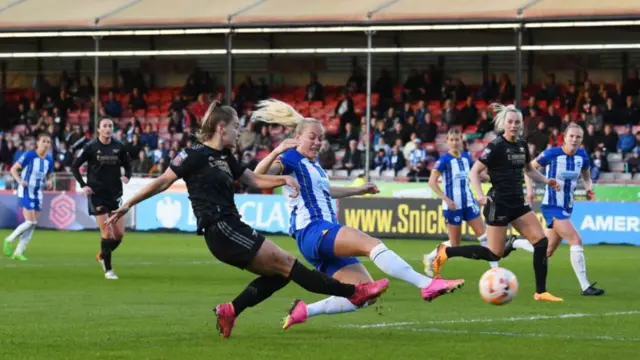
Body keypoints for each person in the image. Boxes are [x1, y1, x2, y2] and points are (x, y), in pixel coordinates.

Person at [104, 101, 388, 339]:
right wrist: (128, 203)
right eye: (236, 127)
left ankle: (230, 310)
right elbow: (162, 182)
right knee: (289, 265)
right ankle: (354, 292)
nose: (239, 133)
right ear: (221, 127)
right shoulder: (192, 155)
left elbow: (253, 180)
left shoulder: (226, 157)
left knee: (279, 276)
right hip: (221, 228)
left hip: (231, 228)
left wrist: (282, 176)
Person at [250, 99, 464, 331]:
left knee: (364, 294)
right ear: (298, 136)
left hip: (320, 235)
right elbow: (256, 177)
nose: (317, 142)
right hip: (313, 230)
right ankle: (427, 284)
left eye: (321, 138)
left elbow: (326, 191)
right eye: (312, 137)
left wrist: (358, 190)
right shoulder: (290, 159)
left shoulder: (314, 165)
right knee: (370, 244)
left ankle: (304, 311)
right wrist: (277, 150)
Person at [429, 103, 564, 302]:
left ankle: (540, 292)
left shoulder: (522, 145)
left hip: (518, 202)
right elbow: (474, 172)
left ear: (521, 124)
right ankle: (447, 251)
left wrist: (545, 180)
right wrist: (480, 195)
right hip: (498, 203)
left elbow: (528, 169)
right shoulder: (495, 146)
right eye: (510, 121)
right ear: (504, 123)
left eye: (517, 122)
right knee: (494, 254)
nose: (514, 125)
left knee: (541, 241)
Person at [422, 129, 531, 275]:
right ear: (447, 142)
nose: (455, 142)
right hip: (453, 206)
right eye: (452, 140)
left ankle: (496, 271)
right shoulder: (443, 161)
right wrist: (446, 199)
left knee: (485, 237)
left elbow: (478, 172)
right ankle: (430, 257)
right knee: (455, 244)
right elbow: (432, 183)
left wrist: (496, 179)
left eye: (457, 139)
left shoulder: (467, 157)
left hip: (469, 203)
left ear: (462, 141)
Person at [524, 123, 604, 296]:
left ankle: (514, 242)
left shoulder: (582, 155)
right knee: (576, 239)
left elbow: (586, 175)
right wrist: (530, 190)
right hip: (552, 206)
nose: (574, 140)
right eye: (571, 136)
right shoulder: (551, 154)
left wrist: (589, 188)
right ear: (564, 137)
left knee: (547, 250)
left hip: (567, 206)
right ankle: (585, 286)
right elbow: (528, 168)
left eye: (578, 137)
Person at [71, 118, 132, 280]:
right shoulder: (91, 147)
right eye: (104, 126)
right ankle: (108, 269)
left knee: (119, 235)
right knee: (107, 231)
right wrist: (83, 185)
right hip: (97, 195)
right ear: (98, 129)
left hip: (115, 194)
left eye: (110, 126)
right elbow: (75, 166)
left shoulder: (119, 146)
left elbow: (128, 164)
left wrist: (127, 176)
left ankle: (101, 255)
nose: (108, 129)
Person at [3, 133, 53, 260]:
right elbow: (13, 169)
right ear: (37, 143)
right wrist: (20, 181)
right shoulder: (29, 155)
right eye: (44, 141)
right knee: (30, 221)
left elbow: (49, 175)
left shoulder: (49, 159)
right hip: (26, 190)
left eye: (48, 142)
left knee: (32, 224)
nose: (46, 144)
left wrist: (49, 181)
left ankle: (18, 252)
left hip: (38, 193)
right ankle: (9, 240)